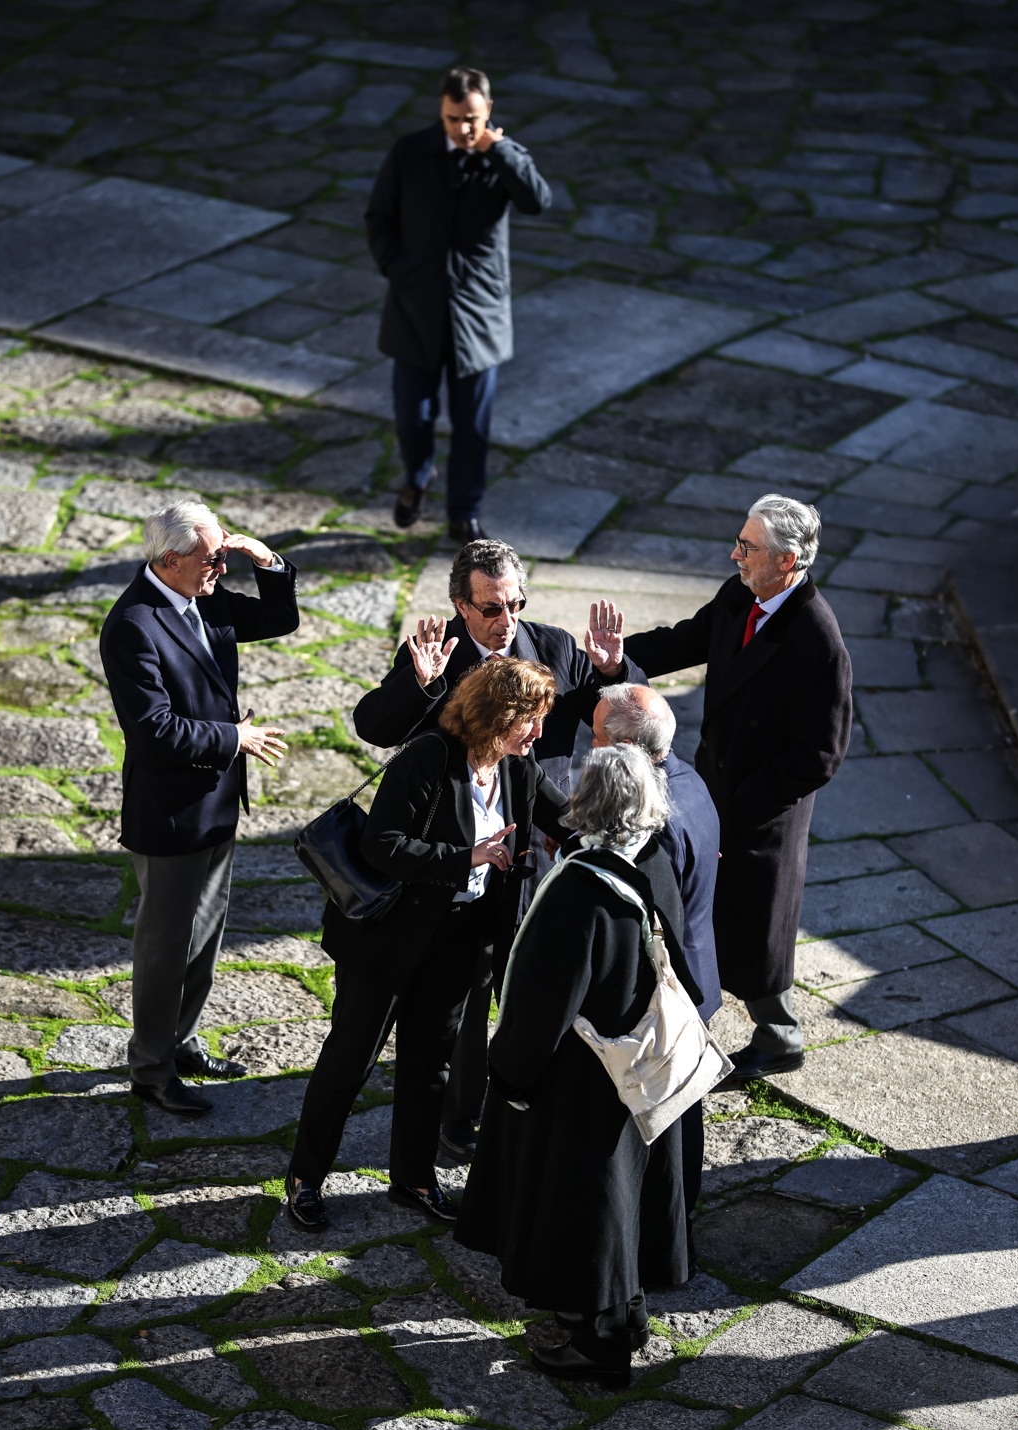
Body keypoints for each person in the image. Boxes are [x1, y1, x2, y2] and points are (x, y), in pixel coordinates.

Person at [353, 537, 640, 1160]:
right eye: (490, 608)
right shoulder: (437, 656)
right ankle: (462, 1112)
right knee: (469, 980)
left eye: (515, 604)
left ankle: (526, 1086)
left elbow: (628, 713)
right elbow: (374, 726)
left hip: (549, 831)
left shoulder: (557, 648)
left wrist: (617, 672)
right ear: (461, 605)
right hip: (471, 849)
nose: (506, 620)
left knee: (537, 973)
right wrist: (419, 684)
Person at [286, 657, 571, 1232]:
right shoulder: (429, 757)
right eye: (531, 721)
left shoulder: (518, 767)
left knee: (429, 1067)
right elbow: (380, 846)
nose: (539, 733)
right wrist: (466, 858)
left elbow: (568, 819)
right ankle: (305, 1178)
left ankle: (413, 1180)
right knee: (350, 1061)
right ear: (498, 716)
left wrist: (636, 840)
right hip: (389, 941)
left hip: (459, 941)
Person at [456, 744, 704, 1388]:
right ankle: (626, 1313)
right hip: (636, 1071)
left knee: (589, 1213)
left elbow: (541, 1004)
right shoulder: (650, 867)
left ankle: (598, 1343)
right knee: (625, 1205)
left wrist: (509, 1076)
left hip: (582, 1083)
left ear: (584, 806)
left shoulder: (580, 892)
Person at [622, 494, 852, 1089]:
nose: (735, 555)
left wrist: (743, 809)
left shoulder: (817, 638)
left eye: (747, 548)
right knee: (692, 912)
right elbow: (682, 641)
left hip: (758, 815)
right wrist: (611, 658)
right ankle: (677, 1024)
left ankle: (778, 1037)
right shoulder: (739, 596)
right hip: (713, 790)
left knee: (754, 932)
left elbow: (818, 755)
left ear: (788, 561)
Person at [99, 501, 298, 1117]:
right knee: (164, 950)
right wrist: (234, 739)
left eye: (221, 556)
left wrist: (267, 560)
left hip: (215, 804)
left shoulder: (205, 595)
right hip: (171, 813)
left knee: (204, 938)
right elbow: (155, 730)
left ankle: (180, 1041)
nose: (221, 568)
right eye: (212, 559)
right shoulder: (133, 625)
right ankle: (151, 1070)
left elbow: (280, 618)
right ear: (170, 560)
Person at [366, 65, 552, 544]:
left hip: (478, 316)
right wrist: (398, 269)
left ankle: (463, 514)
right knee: (414, 416)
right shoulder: (411, 152)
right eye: (453, 118)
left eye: (471, 118)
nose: (463, 128)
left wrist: (499, 148)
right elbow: (379, 216)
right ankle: (418, 474)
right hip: (415, 310)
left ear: (488, 111)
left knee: (472, 427)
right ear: (441, 112)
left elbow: (536, 199)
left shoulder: (502, 157)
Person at [593, 683, 721, 1025]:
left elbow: (646, 915)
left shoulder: (654, 818)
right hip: (699, 968)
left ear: (628, 747)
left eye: (598, 740)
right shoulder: (690, 778)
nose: (592, 747)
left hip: (670, 991)